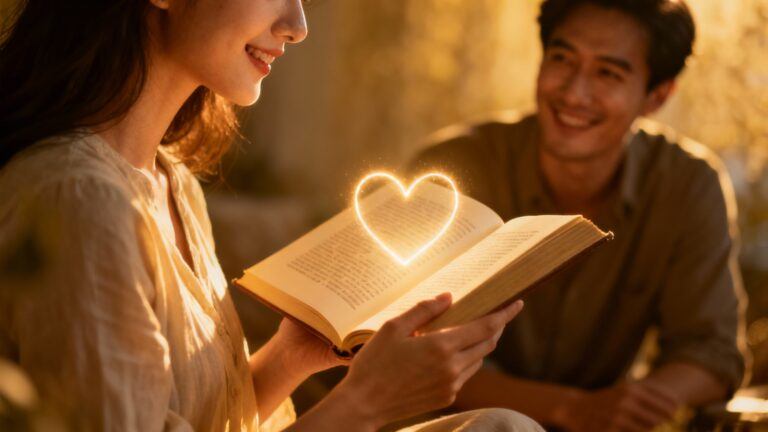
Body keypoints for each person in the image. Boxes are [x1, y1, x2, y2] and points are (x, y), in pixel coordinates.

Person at [0, 1, 544, 431]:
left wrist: (290, 357)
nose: (298, 25)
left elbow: (203, 422)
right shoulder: (77, 200)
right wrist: (365, 404)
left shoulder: (174, 185)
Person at [409, 0, 749, 431]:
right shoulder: (451, 171)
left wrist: (635, 403)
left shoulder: (687, 185)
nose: (572, 92)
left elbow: (711, 352)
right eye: (562, 59)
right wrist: (571, 409)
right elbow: (402, 352)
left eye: (608, 73)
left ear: (657, 95)